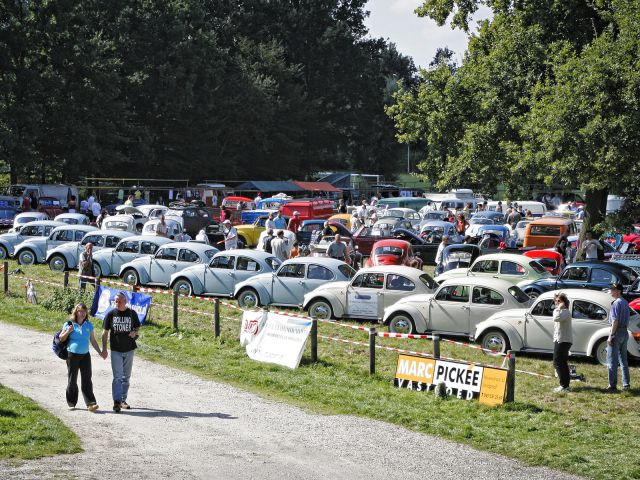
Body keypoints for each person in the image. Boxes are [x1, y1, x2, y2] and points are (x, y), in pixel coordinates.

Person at [59, 303, 105, 411]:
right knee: (72, 379)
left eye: (85, 311)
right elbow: (61, 338)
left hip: (85, 355)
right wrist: (67, 331)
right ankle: (71, 402)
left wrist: (100, 352)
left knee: (87, 379)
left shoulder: (89, 325)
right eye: (80, 311)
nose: (83, 313)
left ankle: (91, 403)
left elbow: (93, 340)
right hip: (72, 355)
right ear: (76, 312)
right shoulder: (69, 324)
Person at [102, 292, 140, 412]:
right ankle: (117, 402)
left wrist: (135, 332)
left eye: (119, 301)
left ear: (125, 302)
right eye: (116, 301)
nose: (117, 303)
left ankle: (123, 400)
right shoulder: (111, 314)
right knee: (117, 377)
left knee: (126, 377)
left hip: (129, 349)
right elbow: (105, 332)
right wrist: (104, 348)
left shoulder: (132, 313)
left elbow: (137, 327)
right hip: (116, 350)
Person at [606, 283, 631, 392]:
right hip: (624, 332)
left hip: (616, 331)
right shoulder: (625, 302)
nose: (610, 290)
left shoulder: (616, 303)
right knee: (623, 360)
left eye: (613, 289)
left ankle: (612, 386)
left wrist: (611, 336)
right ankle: (626, 384)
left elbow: (615, 321)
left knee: (612, 360)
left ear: (619, 291)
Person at [552, 292, 572, 393]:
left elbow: (556, 318)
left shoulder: (564, 311)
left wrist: (558, 308)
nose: (556, 302)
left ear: (564, 302)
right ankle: (566, 385)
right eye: (555, 301)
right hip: (560, 339)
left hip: (563, 340)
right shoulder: (560, 311)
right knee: (562, 363)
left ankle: (564, 385)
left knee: (557, 362)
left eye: (559, 301)